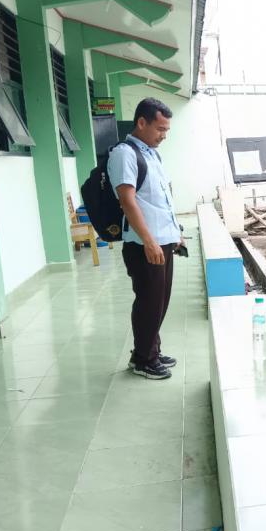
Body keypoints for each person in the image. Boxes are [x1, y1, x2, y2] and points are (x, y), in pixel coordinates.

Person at [108, 97, 182, 380]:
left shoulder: (151, 153)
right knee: (149, 301)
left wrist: (176, 233)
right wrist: (150, 241)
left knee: (160, 300)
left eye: (166, 130)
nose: (164, 135)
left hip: (163, 239)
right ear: (142, 122)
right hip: (143, 243)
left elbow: (160, 198)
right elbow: (128, 201)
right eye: (160, 129)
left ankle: (151, 348)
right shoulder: (125, 153)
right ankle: (142, 359)